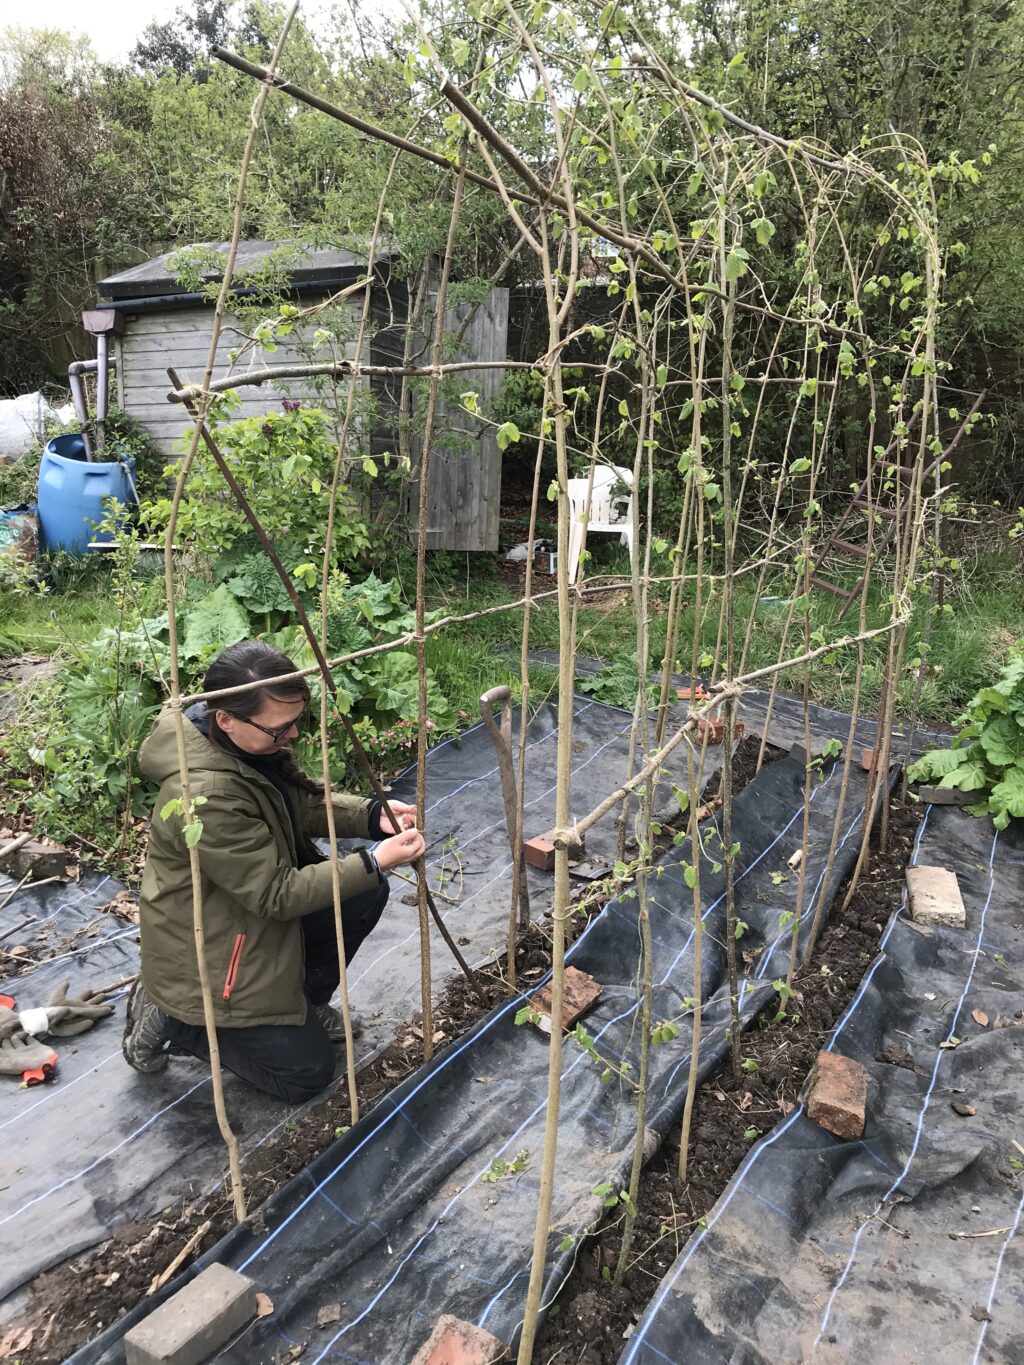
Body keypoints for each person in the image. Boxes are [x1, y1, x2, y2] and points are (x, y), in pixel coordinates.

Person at [122, 640, 425, 1104]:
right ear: (225, 718)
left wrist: (370, 818)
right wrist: (374, 858)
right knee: (306, 1075)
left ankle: (299, 1002)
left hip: (246, 921)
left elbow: (295, 803)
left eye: (296, 722)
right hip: (215, 955)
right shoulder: (205, 794)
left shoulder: (237, 748)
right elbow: (276, 894)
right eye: (279, 728)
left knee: (362, 892)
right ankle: (181, 1022)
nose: (294, 736)